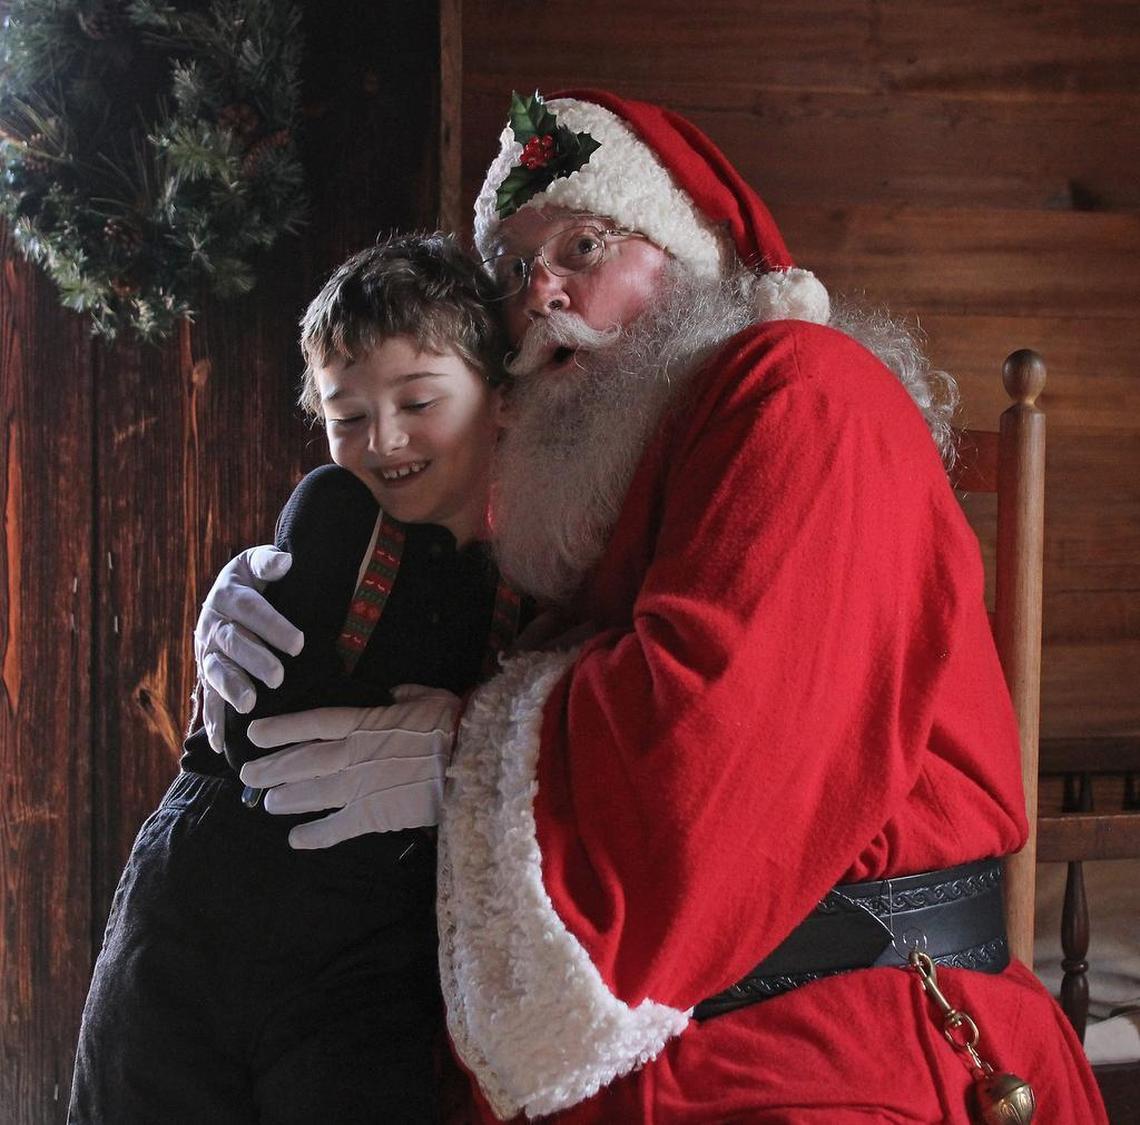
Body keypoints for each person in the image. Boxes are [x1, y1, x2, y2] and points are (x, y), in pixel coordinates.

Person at [197, 91, 1106, 1122]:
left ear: (695, 255)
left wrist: (465, 762)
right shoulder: (578, 498)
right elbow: (428, 645)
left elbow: (715, 752)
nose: (541, 291)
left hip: (850, 1041)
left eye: (585, 242)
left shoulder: (803, 395)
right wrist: (277, 604)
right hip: (673, 1050)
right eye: (509, 267)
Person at [69, 233, 522, 1124]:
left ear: (499, 402)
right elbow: (257, 731)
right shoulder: (331, 516)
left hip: (377, 954)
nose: (382, 439)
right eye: (345, 415)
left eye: (417, 400)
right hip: (202, 911)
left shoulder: (536, 575)